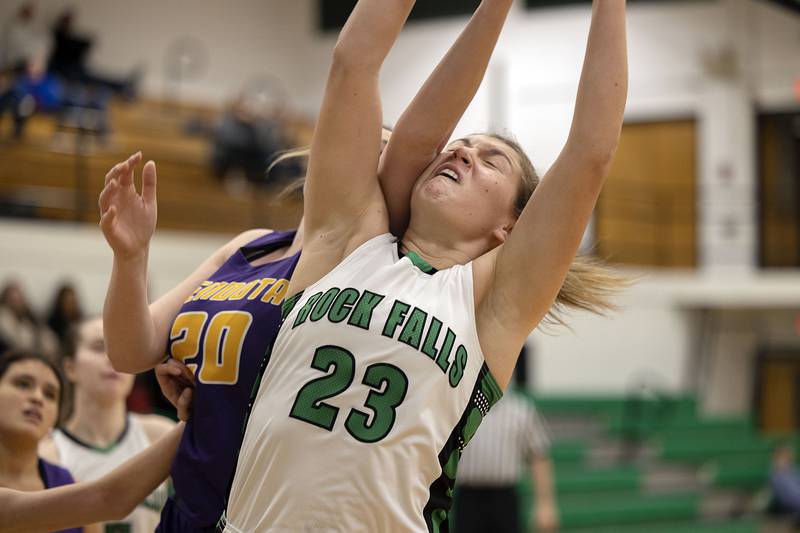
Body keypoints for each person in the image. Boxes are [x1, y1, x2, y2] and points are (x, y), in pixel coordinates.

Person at [222, 0, 627, 530]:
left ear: (510, 227)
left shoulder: (491, 304)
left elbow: (590, 152)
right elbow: (354, 62)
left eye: (490, 160)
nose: (461, 154)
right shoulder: (346, 241)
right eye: (458, 147)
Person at [38, 317, 175, 533]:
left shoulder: (162, 434)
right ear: (70, 367)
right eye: (99, 347)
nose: (112, 358)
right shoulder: (47, 453)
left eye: (121, 349)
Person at [0, 348, 93, 532]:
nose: (37, 398)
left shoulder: (73, 490)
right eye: (23, 384)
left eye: (50, 394)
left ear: (57, 416)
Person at [455, 389, 558, 533]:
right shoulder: (460, 405)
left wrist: (545, 504)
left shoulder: (521, 409)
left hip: (505, 498)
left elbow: (538, 456)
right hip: (468, 498)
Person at [0, 280, 59, 357]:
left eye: (19, 299)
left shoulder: (30, 316)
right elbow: (18, 343)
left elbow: (49, 339)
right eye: (13, 300)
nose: (17, 303)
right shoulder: (4, 319)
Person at [47, 283, 84, 348]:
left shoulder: (81, 321)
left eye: (72, 301)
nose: (70, 305)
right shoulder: (52, 322)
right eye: (67, 301)